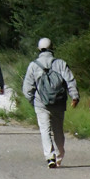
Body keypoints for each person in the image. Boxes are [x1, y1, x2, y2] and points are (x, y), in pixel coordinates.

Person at [22, 38, 80, 168]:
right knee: (58, 129)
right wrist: (74, 96)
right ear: (52, 48)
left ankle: (50, 157)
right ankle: (59, 156)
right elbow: (70, 81)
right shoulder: (60, 63)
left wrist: (33, 101)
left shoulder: (33, 65)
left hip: (41, 103)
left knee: (45, 130)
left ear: (39, 49)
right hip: (59, 103)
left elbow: (27, 89)